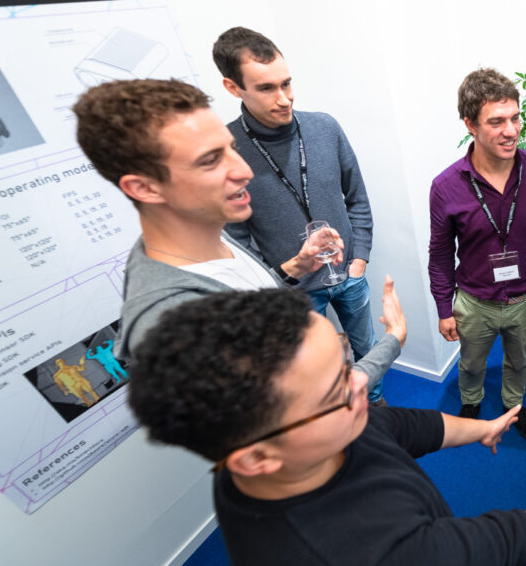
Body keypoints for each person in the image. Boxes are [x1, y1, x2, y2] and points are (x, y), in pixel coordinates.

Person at [127, 286, 526, 566]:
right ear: (255, 459)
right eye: (335, 392)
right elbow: (510, 539)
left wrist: (483, 427)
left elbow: (408, 426)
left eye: (346, 365)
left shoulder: (294, 445)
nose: (360, 386)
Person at [71, 79, 348, 360]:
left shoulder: (210, 232)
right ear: (145, 188)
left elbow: (244, 299)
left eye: (232, 149)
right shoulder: (170, 328)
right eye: (211, 160)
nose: (245, 172)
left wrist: (296, 267)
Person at [211, 27, 386, 406]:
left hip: (349, 275)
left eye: (287, 83)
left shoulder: (324, 127)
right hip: (295, 293)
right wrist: (283, 279)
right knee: (318, 373)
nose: (284, 98)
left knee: (368, 351)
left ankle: (376, 409)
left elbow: (357, 196)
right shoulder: (227, 151)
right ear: (232, 87)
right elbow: (237, 243)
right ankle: (342, 426)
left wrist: (360, 259)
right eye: (267, 88)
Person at [428, 68, 526, 442]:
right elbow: (440, 254)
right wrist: (443, 308)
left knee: (519, 360)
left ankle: (512, 405)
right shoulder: (445, 187)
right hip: (474, 302)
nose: (512, 130)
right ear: (470, 124)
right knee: (471, 364)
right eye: (497, 121)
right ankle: (471, 401)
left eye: (515, 117)